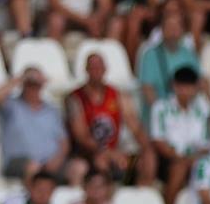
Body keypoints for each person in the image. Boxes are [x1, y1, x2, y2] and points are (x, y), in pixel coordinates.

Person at [67, 54, 156, 185]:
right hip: (88, 155)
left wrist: (146, 148)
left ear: (105, 69)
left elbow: (135, 127)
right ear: (86, 70)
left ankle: (142, 198)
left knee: (148, 158)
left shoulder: (117, 95)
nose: (96, 71)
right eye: (93, 67)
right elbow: (81, 137)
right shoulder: (75, 98)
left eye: (99, 67)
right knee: (101, 161)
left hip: (114, 152)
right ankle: (104, 200)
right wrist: (107, 152)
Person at [151, 66, 210, 204]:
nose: (186, 91)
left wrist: (191, 159)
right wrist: (179, 157)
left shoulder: (202, 109)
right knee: (179, 168)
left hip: (194, 159)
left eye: (189, 87)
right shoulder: (161, 107)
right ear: (174, 86)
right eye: (182, 86)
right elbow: (158, 141)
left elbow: (206, 144)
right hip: (168, 158)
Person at [0, 69, 70, 183]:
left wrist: (56, 161)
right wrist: (19, 79)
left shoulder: (52, 111)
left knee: (78, 169)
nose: (33, 88)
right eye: (30, 84)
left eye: (37, 84)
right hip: (18, 163)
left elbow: (64, 143)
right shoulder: (11, 106)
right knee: (33, 168)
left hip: (50, 163)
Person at [137, 9, 202, 124]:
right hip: (160, 117)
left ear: (182, 30)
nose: (173, 30)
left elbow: (198, 83)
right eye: (169, 26)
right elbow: (147, 89)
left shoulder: (188, 53)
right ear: (162, 29)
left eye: (177, 26)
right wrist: (164, 114)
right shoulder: (150, 55)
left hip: (186, 116)